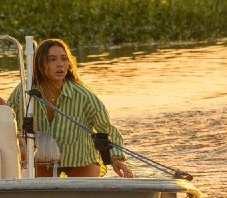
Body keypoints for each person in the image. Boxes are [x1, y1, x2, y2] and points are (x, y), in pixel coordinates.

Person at [7, 38, 133, 178]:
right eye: (52, 59)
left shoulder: (83, 95)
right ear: (40, 63)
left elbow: (107, 128)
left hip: (80, 160)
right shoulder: (24, 92)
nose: (60, 64)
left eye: (64, 59)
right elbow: (6, 120)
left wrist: (116, 159)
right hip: (44, 161)